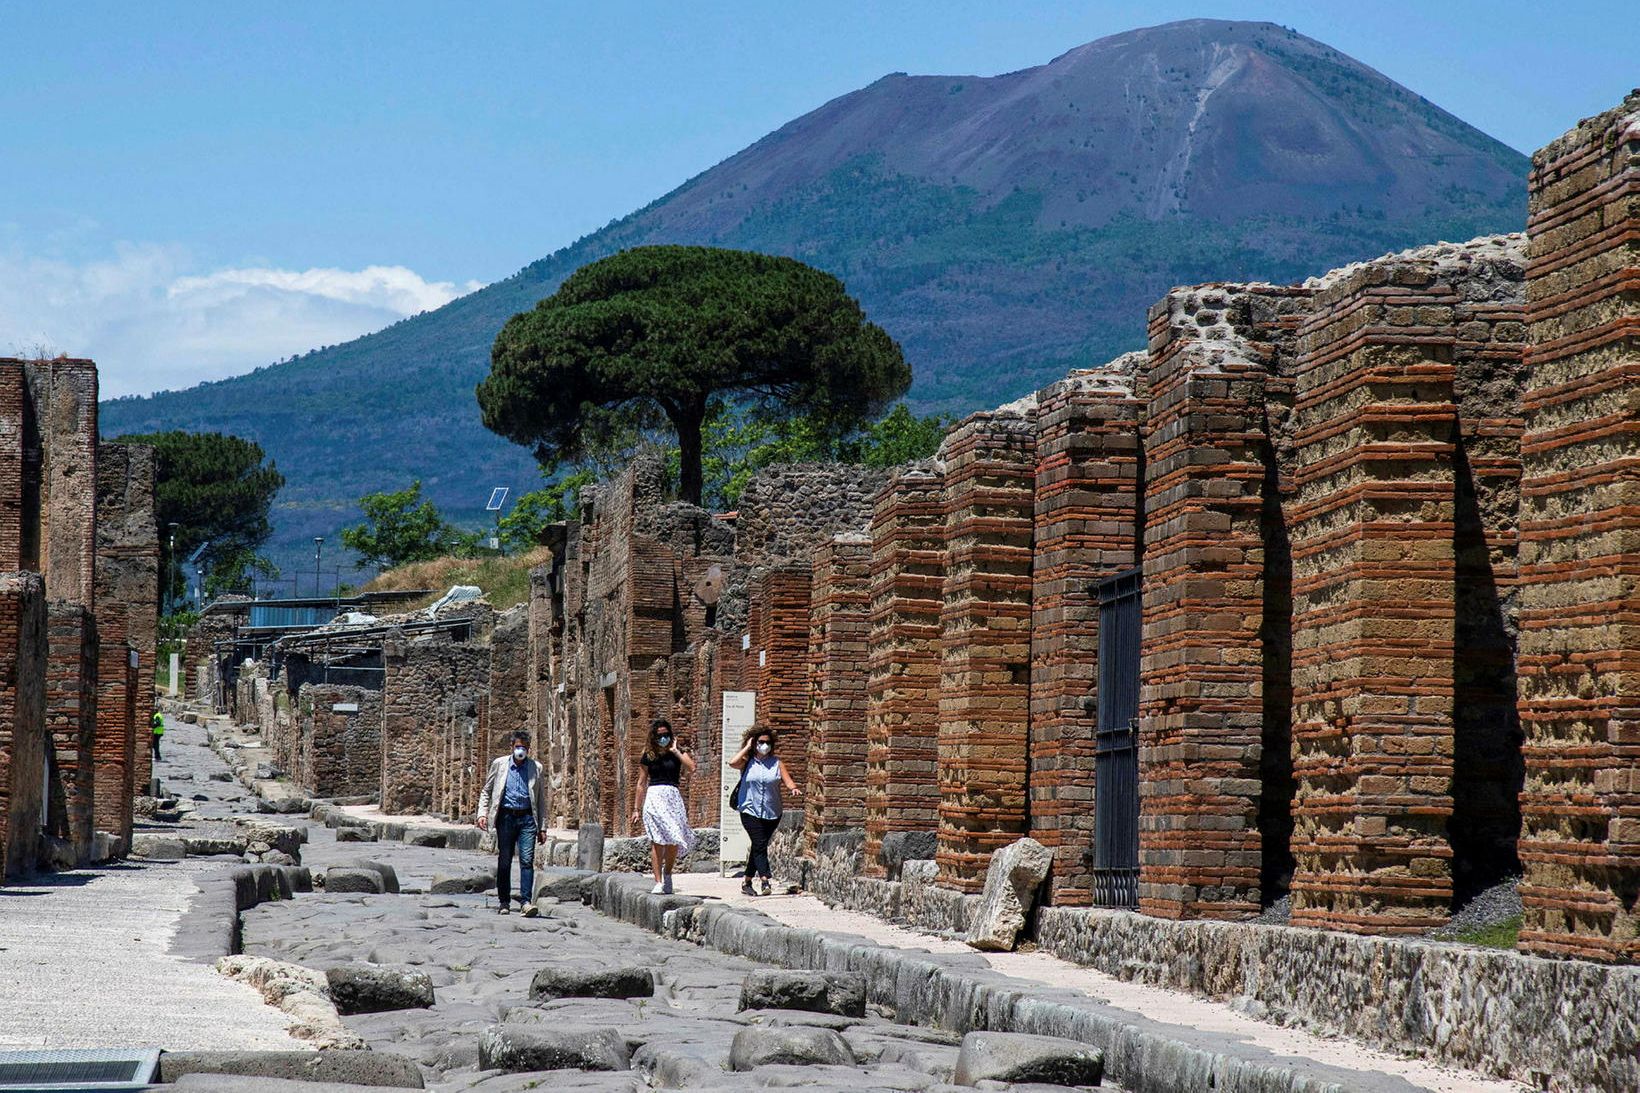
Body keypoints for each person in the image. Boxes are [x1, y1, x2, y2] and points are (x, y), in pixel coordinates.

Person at [476, 730, 547, 917]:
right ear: (512, 747)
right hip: (506, 817)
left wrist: (543, 827)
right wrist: (482, 814)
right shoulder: (499, 765)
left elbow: (541, 800)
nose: (520, 750)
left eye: (524, 747)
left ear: (528, 748)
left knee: (526, 860)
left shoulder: (536, 768)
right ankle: (504, 901)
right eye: (517, 747)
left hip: (527, 819)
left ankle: (526, 902)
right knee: (504, 861)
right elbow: (487, 790)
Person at [728, 723, 801, 896]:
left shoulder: (776, 763)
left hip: (772, 812)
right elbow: (732, 763)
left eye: (768, 742)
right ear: (754, 743)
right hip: (749, 809)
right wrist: (747, 747)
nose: (765, 745)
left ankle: (746, 882)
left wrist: (793, 789)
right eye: (761, 742)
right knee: (760, 844)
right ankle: (765, 880)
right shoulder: (747, 762)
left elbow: (788, 780)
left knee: (758, 846)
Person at [630, 719, 696, 894]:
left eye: (666, 735)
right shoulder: (649, 755)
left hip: (673, 797)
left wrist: (675, 751)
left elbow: (691, 767)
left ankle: (668, 874)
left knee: (674, 839)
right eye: (660, 735)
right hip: (655, 797)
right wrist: (636, 809)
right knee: (658, 840)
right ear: (654, 736)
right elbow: (641, 783)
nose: (663, 738)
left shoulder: (677, 752)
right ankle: (658, 881)